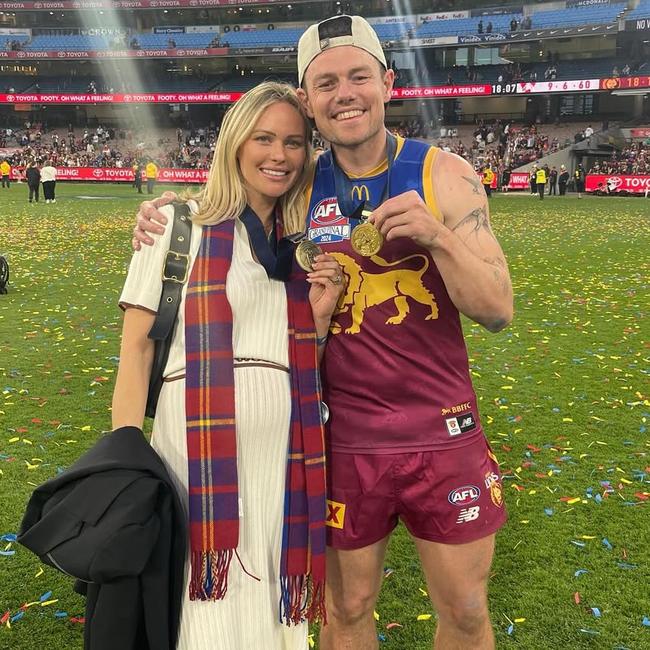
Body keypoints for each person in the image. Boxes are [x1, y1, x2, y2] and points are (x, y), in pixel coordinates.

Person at [133, 16, 513, 650]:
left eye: (359, 76)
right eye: (327, 82)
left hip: (441, 433)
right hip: (339, 438)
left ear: (387, 82)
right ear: (308, 101)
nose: (346, 94)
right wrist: (163, 208)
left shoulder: (445, 174)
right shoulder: (297, 184)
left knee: (468, 611)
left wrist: (437, 236)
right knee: (347, 608)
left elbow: (498, 308)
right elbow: (225, 206)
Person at [114, 82, 343, 649]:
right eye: (264, 138)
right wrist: (124, 453)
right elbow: (137, 348)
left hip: (282, 459)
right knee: (202, 604)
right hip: (194, 456)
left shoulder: (300, 251)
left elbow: (299, 364)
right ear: (235, 142)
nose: (279, 155)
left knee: (269, 599)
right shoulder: (176, 227)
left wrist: (317, 321)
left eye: (293, 142)